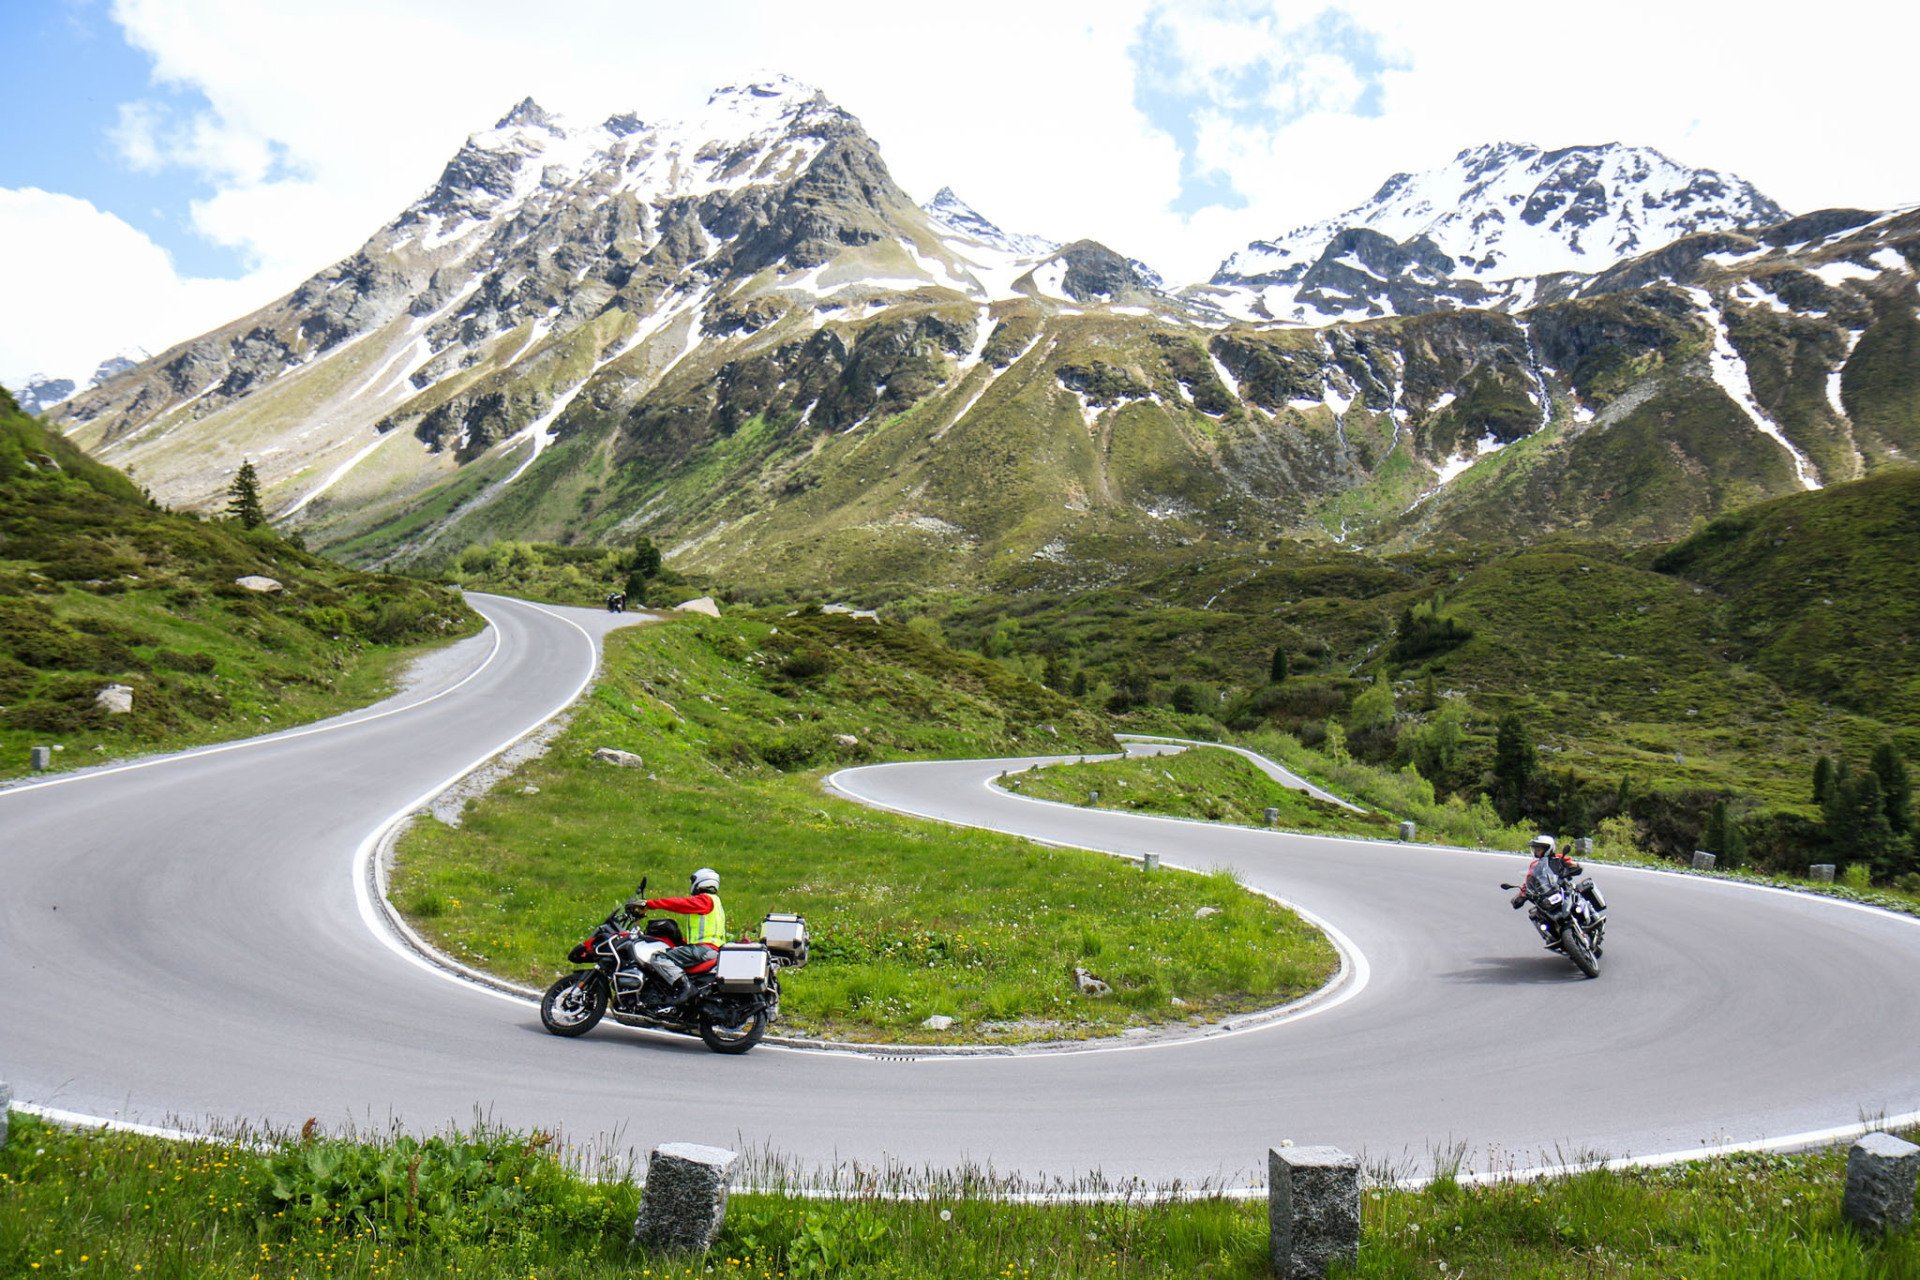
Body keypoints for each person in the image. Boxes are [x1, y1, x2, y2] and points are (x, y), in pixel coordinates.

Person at [629, 868, 727, 1005]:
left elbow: (679, 904)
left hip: (704, 950)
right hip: (711, 949)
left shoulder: (704, 900)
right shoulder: (716, 902)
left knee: (659, 957)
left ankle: (685, 988)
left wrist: (650, 904)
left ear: (700, 882)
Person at [1511, 834, 1581, 909]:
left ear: (1547, 849)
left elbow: (1574, 865)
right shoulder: (1535, 865)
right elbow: (1529, 881)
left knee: (1583, 888)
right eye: (1535, 849)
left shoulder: (1558, 858)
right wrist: (1522, 895)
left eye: (1538, 849)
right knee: (1536, 914)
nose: (1536, 851)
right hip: (1546, 896)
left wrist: (1573, 868)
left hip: (1562, 890)